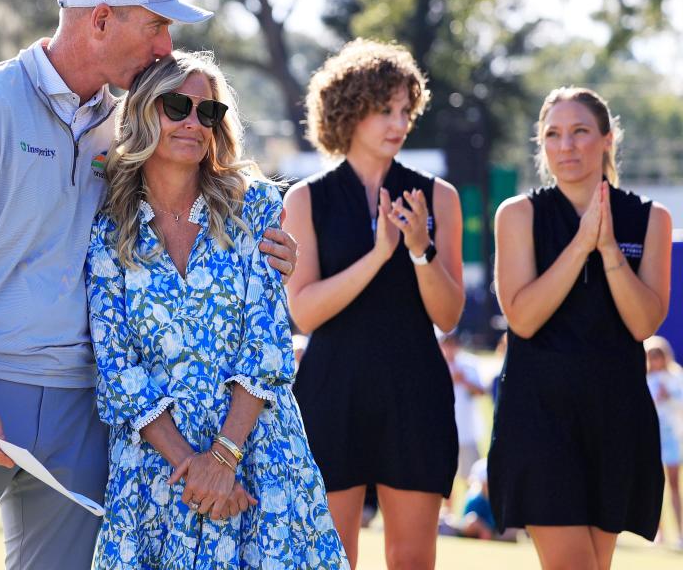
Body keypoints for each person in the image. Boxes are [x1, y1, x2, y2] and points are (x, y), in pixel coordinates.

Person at [0, 0, 295, 570]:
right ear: (100, 19)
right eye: (155, 25)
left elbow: (189, 201)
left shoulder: (129, 124)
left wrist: (262, 246)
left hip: (81, 405)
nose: (165, 47)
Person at [86, 50, 347, 568]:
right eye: (177, 106)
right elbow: (118, 369)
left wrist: (225, 457)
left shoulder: (258, 209)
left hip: (259, 456)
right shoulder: (108, 231)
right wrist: (196, 470)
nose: (192, 123)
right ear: (143, 111)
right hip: (158, 475)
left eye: (208, 113)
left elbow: (267, 347)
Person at [284, 39, 464, 569]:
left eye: (407, 110)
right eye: (385, 108)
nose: (398, 122)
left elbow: (449, 316)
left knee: (412, 561)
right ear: (349, 108)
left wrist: (418, 250)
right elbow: (305, 312)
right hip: (331, 390)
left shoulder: (439, 196)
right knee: (331, 560)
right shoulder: (304, 199)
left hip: (415, 390)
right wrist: (380, 253)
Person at [488, 87, 671, 569]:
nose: (565, 146)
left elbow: (643, 322)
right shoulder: (518, 215)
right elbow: (523, 318)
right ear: (541, 144)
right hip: (539, 416)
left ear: (608, 139)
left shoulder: (651, 219)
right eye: (553, 134)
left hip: (616, 417)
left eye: (580, 132)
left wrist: (609, 248)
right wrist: (579, 245)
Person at [644, 335, 683, 548]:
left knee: (675, 486)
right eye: (651, 355)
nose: (655, 359)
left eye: (658, 355)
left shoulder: (676, 377)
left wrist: (670, 396)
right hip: (652, 439)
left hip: (672, 439)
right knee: (654, 487)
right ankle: (657, 532)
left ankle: (679, 532)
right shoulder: (644, 379)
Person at [438, 329, 486, 491]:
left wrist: (464, 381)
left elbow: (481, 392)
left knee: (470, 480)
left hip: (467, 432)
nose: (449, 348)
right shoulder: (434, 365)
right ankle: (447, 515)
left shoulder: (469, 364)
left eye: (452, 343)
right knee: (443, 480)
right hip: (442, 433)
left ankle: (467, 511)